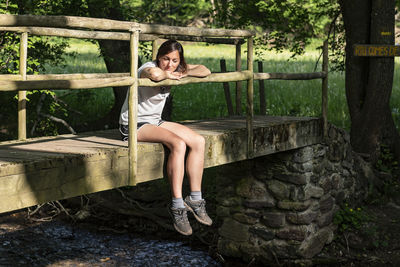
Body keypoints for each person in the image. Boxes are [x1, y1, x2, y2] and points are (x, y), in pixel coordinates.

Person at [119, 40, 212, 236]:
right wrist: (168, 73)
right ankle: (177, 206)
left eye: (174, 60)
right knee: (178, 143)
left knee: (198, 141)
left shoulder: (179, 66)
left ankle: (195, 198)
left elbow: (205, 70)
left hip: (155, 121)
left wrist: (184, 71)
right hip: (133, 124)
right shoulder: (148, 67)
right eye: (165, 59)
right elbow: (154, 75)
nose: (169, 64)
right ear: (158, 57)